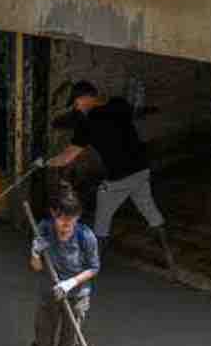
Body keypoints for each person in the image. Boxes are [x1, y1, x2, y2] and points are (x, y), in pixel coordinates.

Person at [47, 81, 166, 259]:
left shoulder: (86, 124)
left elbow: (67, 157)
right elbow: (113, 109)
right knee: (148, 207)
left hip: (119, 177)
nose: (76, 107)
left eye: (76, 102)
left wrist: (45, 162)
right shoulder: (119, 105)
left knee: (103, 214)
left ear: (85, 98)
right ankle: (167, 250)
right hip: (142, 168)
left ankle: (94, 258)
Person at [26, 185, 100, 346]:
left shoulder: (86, 236)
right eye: (61, 218)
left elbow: (94, 268)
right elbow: (36, 268)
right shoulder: (44, 229)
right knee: (43, 340)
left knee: (69, 343)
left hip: (76, 297)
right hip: (48, 295)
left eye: (71, 218)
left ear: (78, 216)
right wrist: (36, 254)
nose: (66, 223)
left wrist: (70, 283)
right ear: (53, 213)